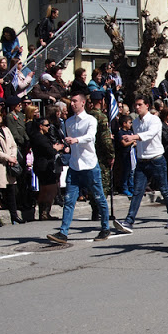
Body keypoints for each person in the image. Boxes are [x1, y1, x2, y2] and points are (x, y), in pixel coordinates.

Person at [46, 93, 111, 243]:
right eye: (72, 101)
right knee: (69, 200)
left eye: (75, 101)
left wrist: (76, 140)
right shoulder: (69, 122)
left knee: (99, 197)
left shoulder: (90, 120)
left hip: (89, 165)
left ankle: (105, 227)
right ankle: (63, 232)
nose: (73, 104)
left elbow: (90, 137)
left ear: (83, 103)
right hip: (75, 166)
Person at [113, 95, 168, 233]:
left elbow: (150, 134)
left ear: (147, 105)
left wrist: (134, 137)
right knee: (137, 191)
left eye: (140, 105)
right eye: (135, 105)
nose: (137, 107)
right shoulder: (136, 122)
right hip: (142, 161)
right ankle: (129, 221)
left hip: (156, 159)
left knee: (164, 189)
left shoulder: (154, 120)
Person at [0, 109, 24, 226]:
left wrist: (13, 157)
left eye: (0, 115)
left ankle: (14, 215)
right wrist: (8, 158)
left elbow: (13, 145)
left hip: (9, 164)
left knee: (11, 191)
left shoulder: (6, 129)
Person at [30, 117, 64, 220]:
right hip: (43, 166)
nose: (49, 127)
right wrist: (56, 149)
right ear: (41, 126)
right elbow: (49, 151)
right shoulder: (39, 137)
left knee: (47, 189)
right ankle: (44, 211)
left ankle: (45, 212)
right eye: (47, 125)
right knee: (49, 189)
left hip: (45, 166)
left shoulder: (44, 136)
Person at [117, 114, 135, 196]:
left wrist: (132, 141)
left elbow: (135, 141)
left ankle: (131, 186)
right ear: (124, 123)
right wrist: (131, 141)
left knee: (131, 171)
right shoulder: (121, 133)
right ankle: (124, 187)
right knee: (125, 171)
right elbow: (124, 143)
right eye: (129, 123)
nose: (130, 124)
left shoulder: (130, 132)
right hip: (124, 155)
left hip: (132, 154)